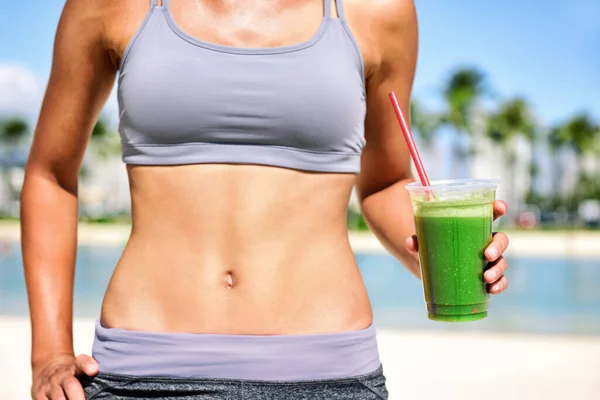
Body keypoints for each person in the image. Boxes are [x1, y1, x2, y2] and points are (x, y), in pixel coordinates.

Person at [21, 0, 510, 399]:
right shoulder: (114, 5)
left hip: (328, 373)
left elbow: (384, 181)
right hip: (142, 369)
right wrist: (49, 355)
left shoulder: (377, 10)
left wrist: (440, 255)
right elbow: (51, 174)